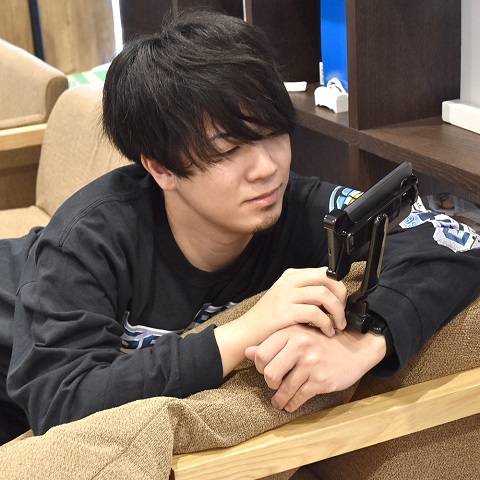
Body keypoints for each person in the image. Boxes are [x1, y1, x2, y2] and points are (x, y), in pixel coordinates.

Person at [1, 10, 479, 446]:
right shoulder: (89, 239)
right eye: (227, 150)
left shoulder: (297, 207)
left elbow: (455, 240)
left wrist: (366, 341)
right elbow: (59, 403)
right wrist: (238, 334)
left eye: (272, 132)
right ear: (160, 168)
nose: (266, 168)